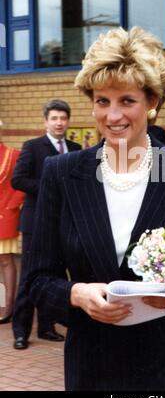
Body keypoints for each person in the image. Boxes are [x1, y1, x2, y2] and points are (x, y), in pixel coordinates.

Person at [24, 26, 165, 391]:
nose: (113, 115)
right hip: (92, 364)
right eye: (102, 101)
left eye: (127, 100)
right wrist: (75, 295)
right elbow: (35, 280)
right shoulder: (61, 172)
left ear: (152, 101)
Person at [11, 100, 81, 349]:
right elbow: (18, 180)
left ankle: (46, 327)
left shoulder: (75, 148)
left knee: (56, 275)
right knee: (30, 275)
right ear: (46, 121)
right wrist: (49, 189)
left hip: (63, 224)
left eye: (63, 118)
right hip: (35, 222)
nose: (59, 122)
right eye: (54, 118)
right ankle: (20, 331)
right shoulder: (32, 147)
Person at [0, 121, 24, 324]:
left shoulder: (12, 154)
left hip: (3, 215)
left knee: (7, 261)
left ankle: (9, 307)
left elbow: (19, 183)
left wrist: (11, 207)